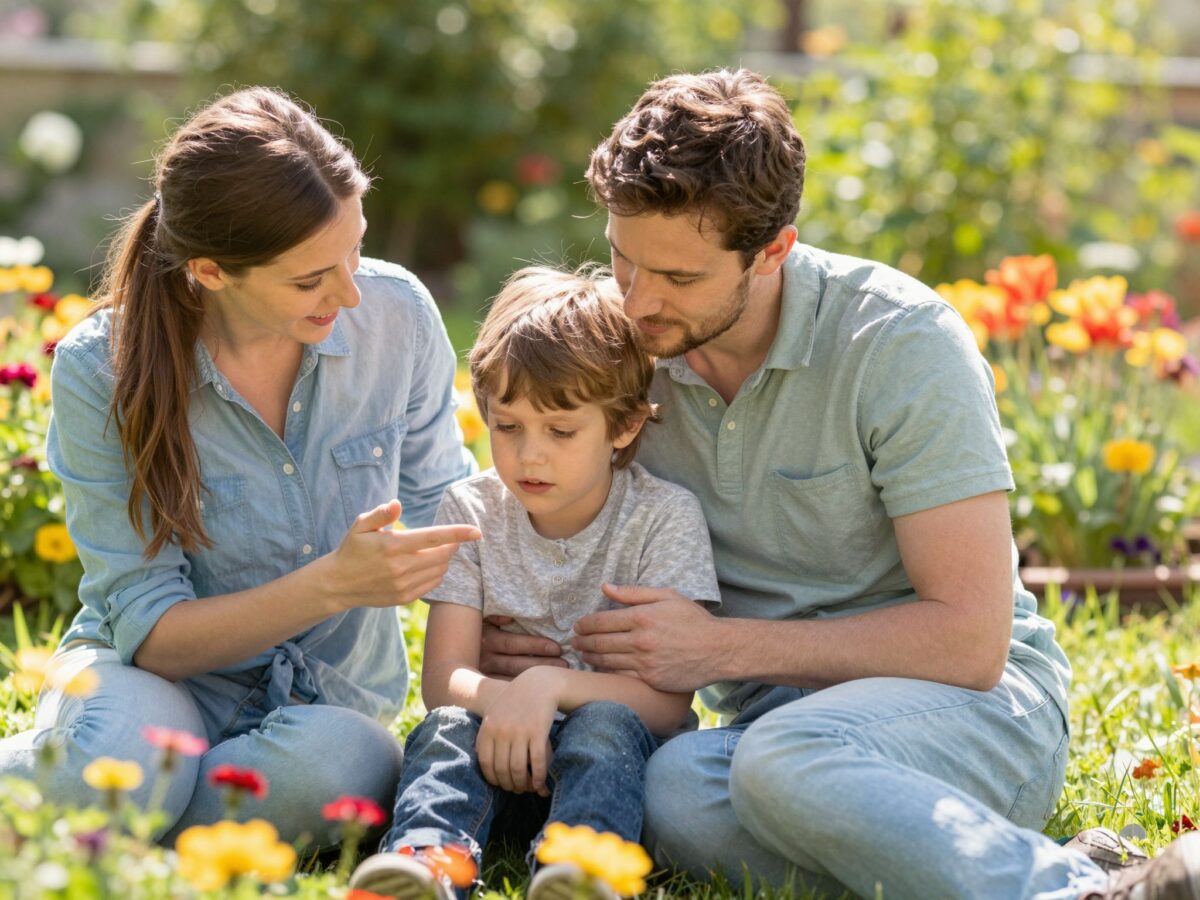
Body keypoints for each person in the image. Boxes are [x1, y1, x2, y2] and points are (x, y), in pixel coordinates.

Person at [478, 69, 1200, 899]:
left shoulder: (899, 341)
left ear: (773, 249)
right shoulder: (614, 351)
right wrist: (517, 631)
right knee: (671, 788)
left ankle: (1079, 895)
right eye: (621, 260)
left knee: (784, 759)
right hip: (769, 739)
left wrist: (721, 648)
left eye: (679, 279)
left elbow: (969, 643)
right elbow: (531, 509)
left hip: (970, 714)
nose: (637, 303)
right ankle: (1019, 867)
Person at [0, 87, 481, 846]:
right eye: (309, 278)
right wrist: (335, 584)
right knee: (124, 753)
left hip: (328, 702)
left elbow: (452, 514)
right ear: (212, 271)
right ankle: (119, 791)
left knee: (336, 769)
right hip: (154, 681)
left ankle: (115, 811)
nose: (351, 291)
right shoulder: (103, 369)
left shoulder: (399, 316)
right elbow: (150, 630)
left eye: (355, 249)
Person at [350, 266, 720, 900]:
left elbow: (666, 706)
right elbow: (445, 680)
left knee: (605, 723)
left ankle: (577, 872)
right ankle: (426, 862)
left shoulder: (664, 517)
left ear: (624, 427)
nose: (530, 456)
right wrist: (506, 704)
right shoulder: (471, 508)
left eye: (561, 431)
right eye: (508, 426)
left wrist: (547, 686)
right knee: (444, 730)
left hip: (615, 777)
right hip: (494, 761)